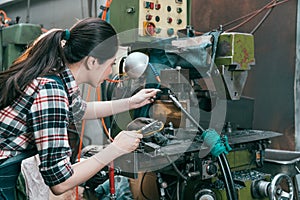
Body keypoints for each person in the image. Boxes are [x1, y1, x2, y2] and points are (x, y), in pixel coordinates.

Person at [0, 17, 159, 199]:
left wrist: (131, 102)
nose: (110, 72)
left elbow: (80, 109)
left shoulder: (57, 76)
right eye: (111, 64)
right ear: (92, 62)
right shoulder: (52, 90)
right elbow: (60, 183)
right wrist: (116, 148)